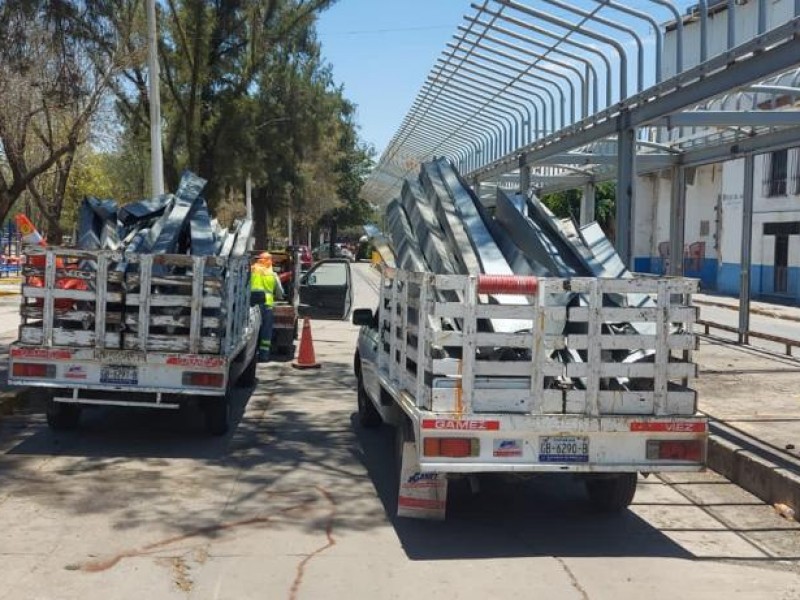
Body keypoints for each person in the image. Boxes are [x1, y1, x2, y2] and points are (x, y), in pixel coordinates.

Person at [250, 252, 284, 362]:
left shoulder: (252, 270)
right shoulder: (272, 274)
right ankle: (264, 356)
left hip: (252, 305)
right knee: (266, 332)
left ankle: (251, 354)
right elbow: (280, 292)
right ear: (269, 261)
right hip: (267, 306)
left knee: (251, 330)